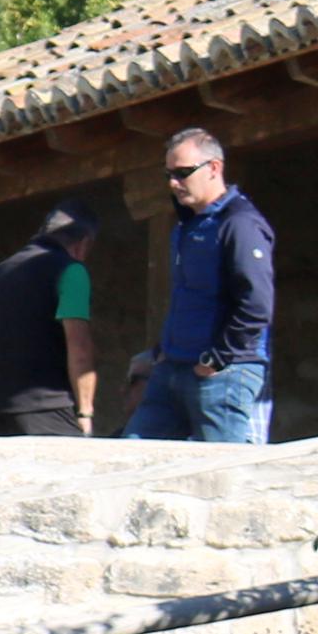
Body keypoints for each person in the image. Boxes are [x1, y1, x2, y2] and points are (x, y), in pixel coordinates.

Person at [124, 128, 275, 444]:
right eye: (169, 174)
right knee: (133, 460)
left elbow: (258, 304)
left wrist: (217, 358)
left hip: (223, 376)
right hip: (173, 370)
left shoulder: (239, 223)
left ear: (214, 168)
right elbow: (191, 302)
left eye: (182, 173)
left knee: (221, 477)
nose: (173, 183)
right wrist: (158, 353)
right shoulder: (189, 227)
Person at [0, 202, 101, 437]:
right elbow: (80, 347)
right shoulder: (71, 271)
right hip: (47, 408)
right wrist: (85, 411)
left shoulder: (2, 271)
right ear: (84, 243)